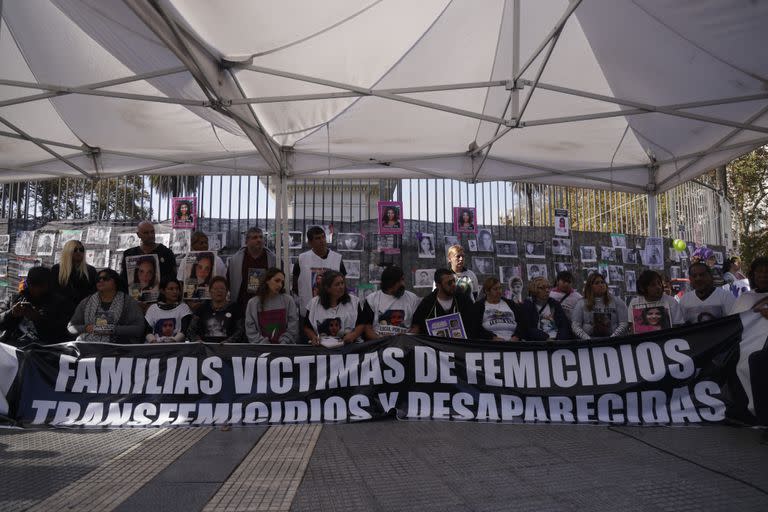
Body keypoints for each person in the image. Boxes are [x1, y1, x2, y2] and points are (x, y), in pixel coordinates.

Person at [67, 269, 146, 344]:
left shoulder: (128, 302)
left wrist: (112, 330)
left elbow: (139, 328)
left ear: (115, 282)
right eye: (98, 279)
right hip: (88, 347)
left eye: (106, 278)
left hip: (118, 348)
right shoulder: (86, 302)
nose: (101, 280)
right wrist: (86, 328)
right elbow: (71, 327)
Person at [0, 267, 71, 346]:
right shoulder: (14, 298)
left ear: (49, 285)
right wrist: (12, 314)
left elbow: (63, 335)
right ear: (28, 284)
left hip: (45, 350)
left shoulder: (60, 303)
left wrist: (38, 318)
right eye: (33, 285)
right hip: (13, 346)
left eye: (41, 286)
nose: (36, 290)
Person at [292, 226, 345, 315]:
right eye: (317, 238)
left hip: (332, 311)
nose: (322, 240)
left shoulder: (337, 258)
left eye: (323, 237)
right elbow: (295, 285)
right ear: (309, 242)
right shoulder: (302, 259)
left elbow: (343, 284)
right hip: (308, 310)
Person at [304, 271, 365, 345]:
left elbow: (361, 324)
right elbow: (307, 327)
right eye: (337, 285)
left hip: (349, 347)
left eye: (342, 283)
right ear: (327, 288)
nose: (341, 287)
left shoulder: (354, 302)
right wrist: (313, 337)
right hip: (322, 349)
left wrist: (353, 335)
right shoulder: (313, 304)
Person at [227, 226, 277, 315]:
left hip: (266, 306)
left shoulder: (273, 260)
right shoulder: (235, 260)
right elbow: (229, 281)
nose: (259, 240)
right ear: (246, 241)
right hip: (242, 307)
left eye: (261, 237)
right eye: (255, 237)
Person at [360, 265, 420, 338]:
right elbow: (367, 328)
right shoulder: (372, 299)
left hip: (404, 344)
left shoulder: (412, 299)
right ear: (390, 283)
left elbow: (416, 327)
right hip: (378, 344)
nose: (403, 284)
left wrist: (405, 338)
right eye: (399, 281)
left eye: (403, 280)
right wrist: (381, 339)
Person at [412, 269, 473, 336]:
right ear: (438, 285)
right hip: (435, 344)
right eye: (449, 283)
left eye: (454, 281)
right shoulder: (428, 303)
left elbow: (473, 324)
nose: (453, 285)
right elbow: (416, 327)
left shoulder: (464, 300)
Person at [245, 268, 298, 344]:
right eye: (277, 281)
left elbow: (293, 326)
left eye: (282, 282)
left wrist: (284, 342)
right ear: (267, 280)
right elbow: (250, 329)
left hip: (285, 349)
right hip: (261, 350)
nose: (280, 285)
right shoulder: (253, 303)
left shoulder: (288, 300)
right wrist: (264, 344)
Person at [571, 272, 629, 339]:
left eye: (602, 282)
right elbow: (575, 326)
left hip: (613, 342)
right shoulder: (581, 303)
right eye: (597, 283)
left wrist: (613, 338)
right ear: (590, 286)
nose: (601, 285)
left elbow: (623, 323)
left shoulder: (617, 301)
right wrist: (588, 339)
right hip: (589, 343)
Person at [190, 276, 244, 343]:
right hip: (204, 348)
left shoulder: (235, 308)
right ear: (210, 291)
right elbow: (191, 330)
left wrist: (229, 342)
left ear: (227, 291)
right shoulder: (202, 308)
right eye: (215, 289)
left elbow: (240, 330)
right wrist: (197, 340)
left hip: (228, 349)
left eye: (222, 288)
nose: (219, 291)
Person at [471, 277, 526, 341]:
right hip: (491, 343)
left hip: (513, 341)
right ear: (487, 291)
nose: (499, 291)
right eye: (495, 289)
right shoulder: (479, 306)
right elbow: (475, 328)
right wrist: (492, 338)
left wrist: (517, 336)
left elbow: (522, 323)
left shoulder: (511, 304)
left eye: (500, 288)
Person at [145, 278, 193, 343]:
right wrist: (153, 341)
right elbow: (147, 330)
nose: (175, 292)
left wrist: (174, 341)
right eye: (171, 289)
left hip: (178, 348)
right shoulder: (153, 309)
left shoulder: (183, 307)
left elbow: (184, 330)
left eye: (177, 289)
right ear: (162, 291)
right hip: (156, 348)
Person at [51, 240, 97, 307]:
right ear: (68, 251)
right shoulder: (57, 269)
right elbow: (53, 291)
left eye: (81, 249)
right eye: (75, 250)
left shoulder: (90, 270)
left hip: (84, 308)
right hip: (62, 309)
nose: (78, 252)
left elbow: (94, 292)